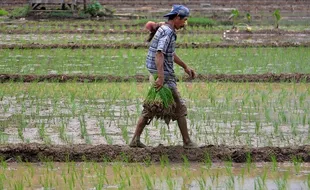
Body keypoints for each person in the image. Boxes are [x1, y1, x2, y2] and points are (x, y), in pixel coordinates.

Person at [129, 5, 198, 149]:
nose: (184, 24)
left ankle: (135, 140)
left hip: (158, 75)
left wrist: (185, 66)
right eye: (184, 20)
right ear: (177, 17)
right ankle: (187, 142)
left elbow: (169, 53)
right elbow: (159, 54)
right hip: (163, 77)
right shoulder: (168, 32)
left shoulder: (164, 29)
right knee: (180, 108)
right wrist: (160, 78)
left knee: (150, 107)